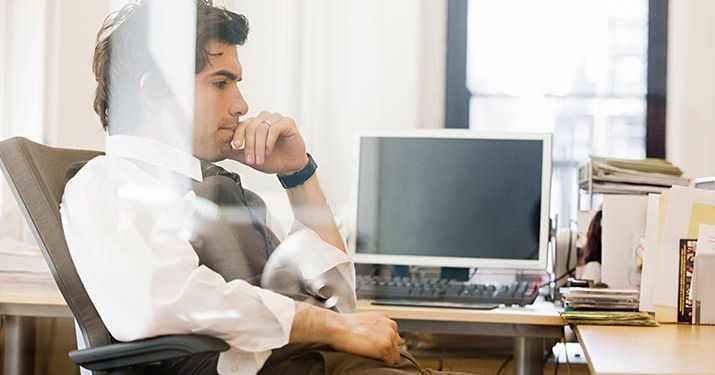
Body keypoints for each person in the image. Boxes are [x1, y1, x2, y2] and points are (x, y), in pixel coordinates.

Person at [60, 1, 471, 374]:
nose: (241, 105)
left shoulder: (224, 193)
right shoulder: (106, 183)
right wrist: (333, 328)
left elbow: (338, 299)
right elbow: (163, 304)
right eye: (221, 83)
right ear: (153, 89)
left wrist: (297, 174)